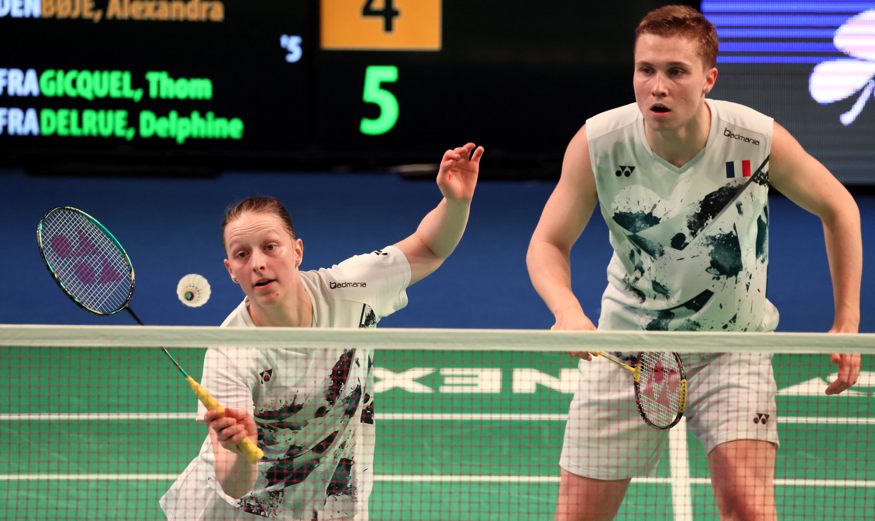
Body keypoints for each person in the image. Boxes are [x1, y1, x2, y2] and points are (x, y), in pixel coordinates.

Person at [526, 6, 862, 521]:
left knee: (750, 509)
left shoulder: (753, 138)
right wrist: (566, 310)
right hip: (626, 351)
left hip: (733, 348)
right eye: (646, 70)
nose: (658, 86)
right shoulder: (600, 140)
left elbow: (838, 206)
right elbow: (547, 243)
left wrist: (846, 321)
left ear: (708, 79)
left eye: (676, 72)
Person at [160, 142, 485, 520]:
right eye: (242, 254)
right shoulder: (230, 352)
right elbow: (235, 486)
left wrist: (455, 203)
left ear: (297, 251)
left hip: (330, 506)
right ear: (231, 270)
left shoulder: (352, 289)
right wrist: (239, 448)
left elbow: (429, 247)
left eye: (270, 247)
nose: (259, 264)